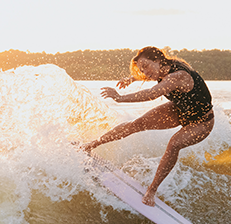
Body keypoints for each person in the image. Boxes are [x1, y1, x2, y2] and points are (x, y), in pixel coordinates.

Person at [82, 46, 214, 207]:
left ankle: (151, 191)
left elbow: (152, 93)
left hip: (201, 121)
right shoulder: (162, 69)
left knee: (174, 144)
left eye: (146, 66)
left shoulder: (178, 75)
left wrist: (120, 98)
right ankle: (91, 145)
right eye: (141, 69)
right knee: (136, 124)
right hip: (180, 110)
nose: (145, 73)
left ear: (158, 60)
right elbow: (151, 75)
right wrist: (131, 79)